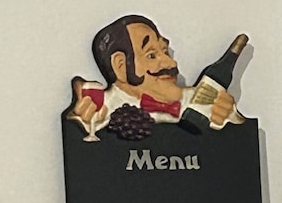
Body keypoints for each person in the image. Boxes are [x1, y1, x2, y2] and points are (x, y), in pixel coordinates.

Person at [69, 14, 242, 134]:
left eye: (165, 52)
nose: (171, 64)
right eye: (151, 55)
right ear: (120, 66)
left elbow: (233, 132)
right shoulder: (104, 109)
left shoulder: (196, 99)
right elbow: (87, 126)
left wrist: (225, 113)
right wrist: (83, 118)